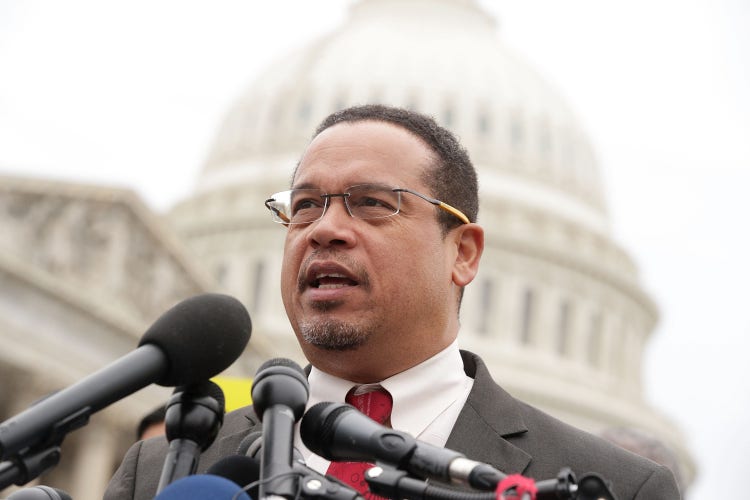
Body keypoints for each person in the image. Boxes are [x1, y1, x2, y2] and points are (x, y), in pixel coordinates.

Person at [104, 105, 680, 499]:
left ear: (463, 253)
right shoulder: (161, 473)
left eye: (373, 203)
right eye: (305, 206)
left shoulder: (612, 486)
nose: (325, 229)